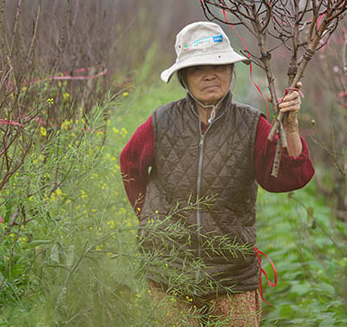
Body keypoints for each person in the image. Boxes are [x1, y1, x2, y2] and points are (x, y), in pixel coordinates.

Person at [119, 21, 314, 326]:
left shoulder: (251, 125)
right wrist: (151, 220)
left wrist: (289, 126)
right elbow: (129, 163)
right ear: (184, 76)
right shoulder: (162, 121)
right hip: (170, 279)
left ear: (231, 72)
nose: (210, 74)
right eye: (199, 68)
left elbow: (290, 178)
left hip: (233, 280)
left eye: (219, 65)